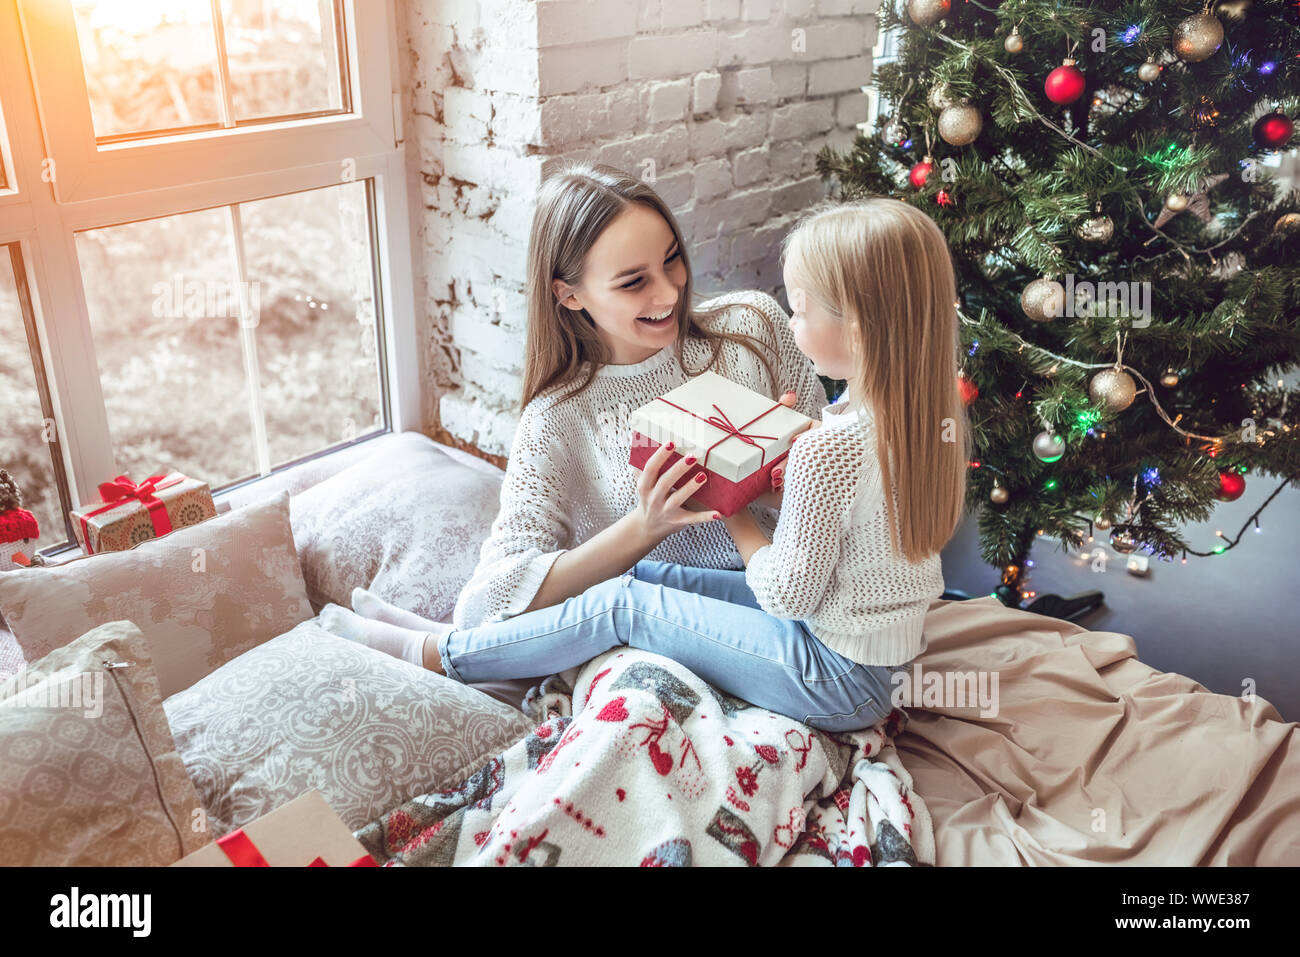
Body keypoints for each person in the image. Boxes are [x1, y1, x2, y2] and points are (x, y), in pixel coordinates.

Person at [321, 168, 966, 730]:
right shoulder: (557, 420)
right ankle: (445, 643)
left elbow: (837, 506)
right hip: (802, 611)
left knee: (627, 603)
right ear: (568, 295)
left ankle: (435, 655)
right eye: (634, 282)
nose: (670, 294)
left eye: (672, 260)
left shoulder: (753, 327)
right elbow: (489, 599)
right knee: (635, 582)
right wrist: (644, 527)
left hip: (806, 615)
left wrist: (759, 477)